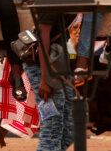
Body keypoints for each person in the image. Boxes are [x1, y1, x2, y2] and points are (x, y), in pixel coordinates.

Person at [24, 12, 76, 151]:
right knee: (52, 127)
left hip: (59, 65)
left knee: (69, 130)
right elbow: (43, 33)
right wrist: (45, 79)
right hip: (44, 67)